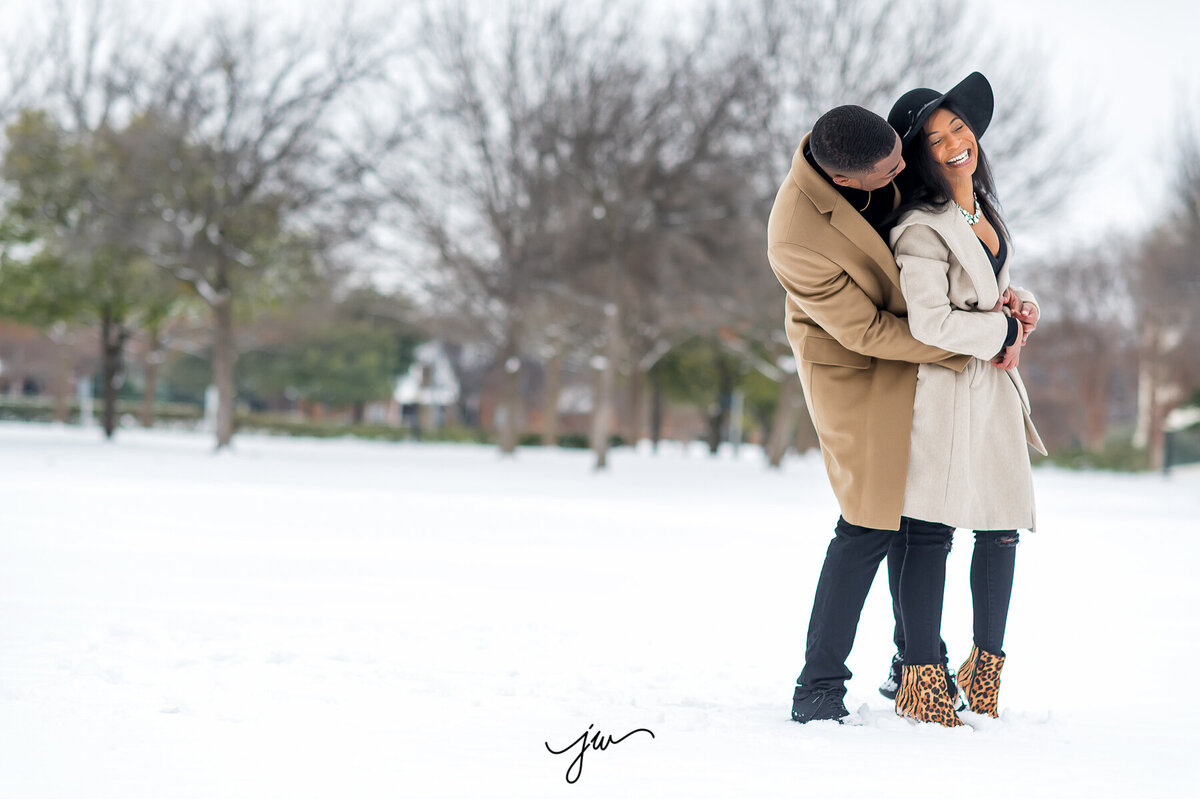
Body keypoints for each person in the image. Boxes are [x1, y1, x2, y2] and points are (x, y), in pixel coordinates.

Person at [766, 105, 972, 724]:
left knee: (922, 513)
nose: (907, 168)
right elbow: (864, 330)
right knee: (868, 523)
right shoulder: (795, 236)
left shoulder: (879, 147)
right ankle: (819, 686)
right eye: (891, 168)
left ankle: (914, 662)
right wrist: (967, 340)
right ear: (850, 181)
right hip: (852, 365)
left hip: (923, 341)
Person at [883, 72, 1047, 726]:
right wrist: (1001, 329)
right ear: (919, 153)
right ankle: (921, 682)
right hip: (945, 390)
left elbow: (988, 286)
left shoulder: (981, 209)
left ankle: (984, 675)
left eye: (959, 128)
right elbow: (931, 320)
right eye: (935, 137)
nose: (954, 143)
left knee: (1001, 526)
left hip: (992, 393)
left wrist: (1022, 305)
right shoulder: (920, 227)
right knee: (928, 531)